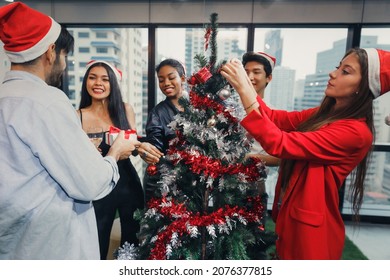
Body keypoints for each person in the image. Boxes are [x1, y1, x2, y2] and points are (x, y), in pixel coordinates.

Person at [0, 2, 140, 260]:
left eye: (105, 79)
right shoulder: (49, 102)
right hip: (48, 244)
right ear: (51, 52)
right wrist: (114, 153)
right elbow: (89, 183)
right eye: (65, 56)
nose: (64, 65)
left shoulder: (6, 97)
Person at [221, 47, 390, 259]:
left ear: (363, 87)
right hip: (292, 216)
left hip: (311, 233)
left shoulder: (356, 133)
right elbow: (275, 118)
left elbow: (280, 143)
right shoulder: (325, 114)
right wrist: (245, 89)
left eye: (346, 71)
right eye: (338, 67)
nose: (333, 73)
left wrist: (245, 89)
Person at [77, 60, 161, 259]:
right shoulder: (78, 115)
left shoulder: (125, 109)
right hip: (99, 186)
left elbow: (132, 146)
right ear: (85, 82)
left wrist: (141, 146)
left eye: (105, 79)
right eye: (93, 77)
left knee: (132, 237)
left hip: (127, 182)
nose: (98, 83)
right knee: (98, 239)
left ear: (113, 84)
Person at [242, 51, 280, 259]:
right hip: (224, 183)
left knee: (254, 240)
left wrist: (250, 159)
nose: (249, 77)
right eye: (245, 71)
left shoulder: (274, 115)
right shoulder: (228, 110)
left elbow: (281, 157)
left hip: (255, 184)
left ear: (269, 78)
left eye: (256, 72)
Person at [143, 58, 186, 202]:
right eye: (161, 80)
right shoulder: (157, 113)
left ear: (182, 78)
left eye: (171, 77)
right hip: (162, 182)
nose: (166, 83)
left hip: (194, 182)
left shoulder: (198, 107)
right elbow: (155, 151)